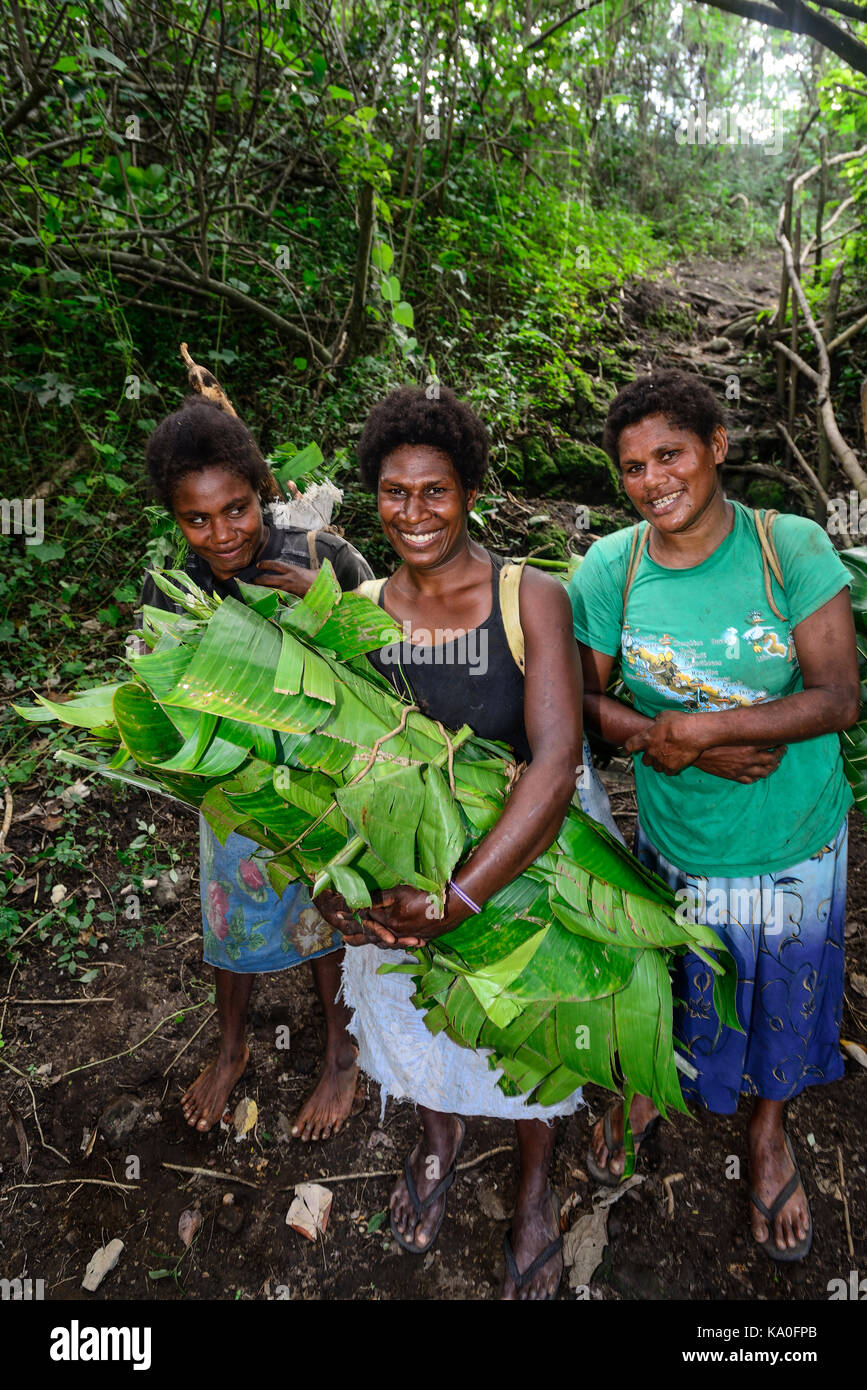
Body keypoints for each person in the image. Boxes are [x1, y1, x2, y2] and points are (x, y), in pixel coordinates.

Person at [569, 368, 860, 1261]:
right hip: (679, 839)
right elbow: (583, 705)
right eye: (630, 467)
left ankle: (766, 1131)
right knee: (679, 972)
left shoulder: (790, 546)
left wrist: (705, 729)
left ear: (717, 448)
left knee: (781, 985)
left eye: (669, 455)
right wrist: (686, 746)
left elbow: (838, 697)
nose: (652, 480)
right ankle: (654, 1083)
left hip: (793, 837)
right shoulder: (609, 570)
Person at [314, 384, 590, 1300]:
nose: (414, 513)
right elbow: (333, 769)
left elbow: (554, 763)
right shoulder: (356, 611)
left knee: (529, 1024)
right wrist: (334, 888)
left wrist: (461, 896)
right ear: (373, 496)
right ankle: (437, 1144)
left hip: (522, 858)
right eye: (395, 493)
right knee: (417, 1021)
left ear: (469, 491)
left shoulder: (529, 597)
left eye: (435, 491)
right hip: (404, 875)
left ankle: (535, 1183)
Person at [140, 394, 374, 1138]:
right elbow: (157, 696)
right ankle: (233, 1045)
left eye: (236, 509)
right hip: (231, 790)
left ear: (262, 490)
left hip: (326, 787)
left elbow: (388, 663)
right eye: (196, 519)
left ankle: (341, 1049)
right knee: (230, 918)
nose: (221, 533)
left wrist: (325, 608)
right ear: (175, 520)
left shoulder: (322, 558)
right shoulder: (172, 590)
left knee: (325, 916)